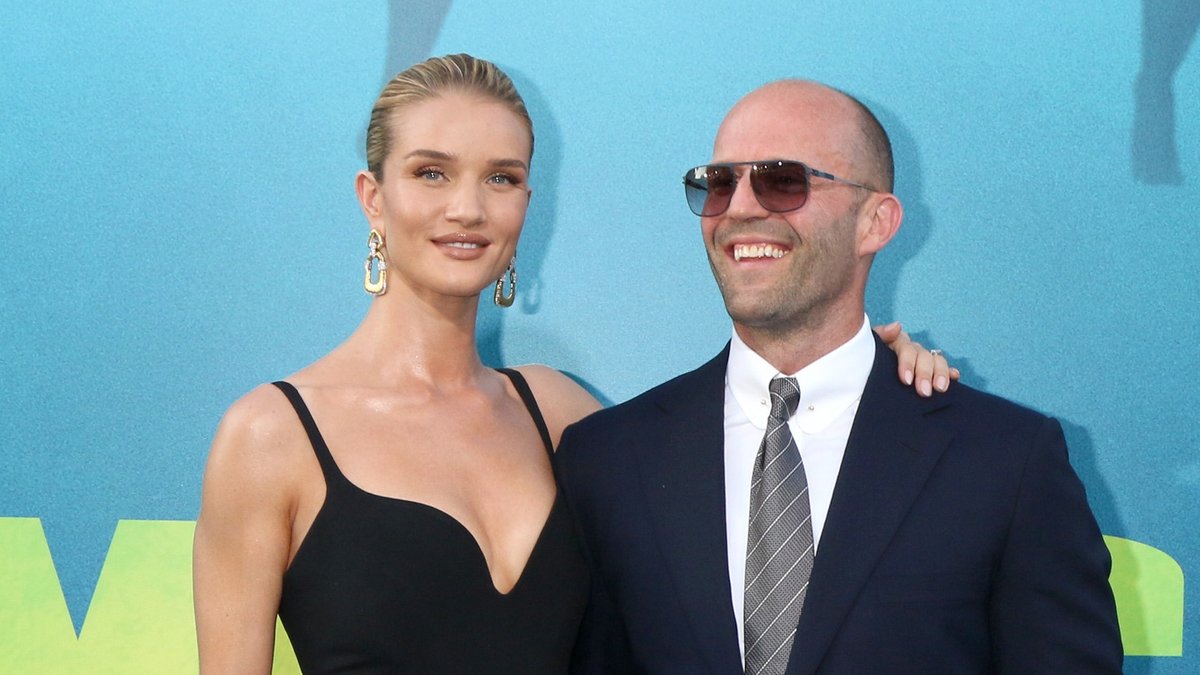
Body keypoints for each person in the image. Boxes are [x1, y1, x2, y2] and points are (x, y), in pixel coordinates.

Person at [192, 55, 955, 673]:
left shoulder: (559, 415)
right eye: (431, 172)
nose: (468, 207)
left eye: (501, 177)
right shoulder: (270, 437)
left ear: (528, 200)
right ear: (373, 197)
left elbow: (740, 440)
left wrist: (864, 376)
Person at [554, 79, 1122, 674]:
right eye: (719, 183)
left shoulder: (1006, 462)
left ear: (876, 222)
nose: (741, 208)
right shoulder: (609, 458)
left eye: (782, 180)